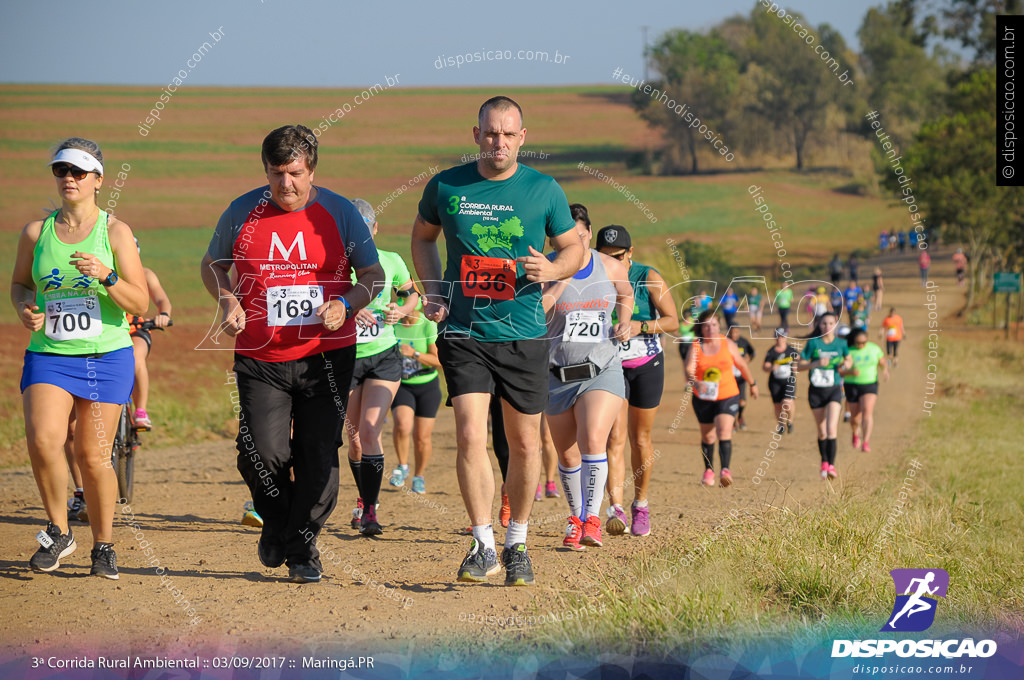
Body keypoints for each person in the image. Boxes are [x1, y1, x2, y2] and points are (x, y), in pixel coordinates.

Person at [411, 96, 583, 586]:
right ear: (476, 134)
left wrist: (552, 269)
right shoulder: (446, 186)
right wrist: (433, 290)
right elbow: (422, 238)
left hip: (524, 333)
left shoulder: (543, 190)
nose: (499, 142)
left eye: (508, 134)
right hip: (463, 332)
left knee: (526, 443)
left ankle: (518, 543)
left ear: (522, 138)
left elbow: (574, 247)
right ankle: (483, 544)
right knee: (469, 434)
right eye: (490, 133)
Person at [200, 125, 383, 583]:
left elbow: (373, 275)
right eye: (276, 173)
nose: (286, 184)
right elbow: (212, 265)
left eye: (295, 173)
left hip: (326, 355)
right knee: (259, 452)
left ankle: (301, 548)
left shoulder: (341, 213)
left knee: (318, 454)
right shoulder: (242, 211)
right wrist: (228, 300)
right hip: (261, 357)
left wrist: (347, 304)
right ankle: (280, 524)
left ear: (312, 168)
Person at [13, 137, 150, 579]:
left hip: (105, 355)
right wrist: (23, 308)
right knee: (43, 440)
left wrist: (106, 274)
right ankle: (58, 530)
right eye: (60, 171)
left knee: (93, 456)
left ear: (97, 180)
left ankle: (104, 544)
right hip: (50, 353)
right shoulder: (36, 233)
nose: (68, 178)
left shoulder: (115, 232)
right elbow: (20, 285)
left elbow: (140, 303)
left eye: (77, 171)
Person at [540, 215, 632, 550]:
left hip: (601, 368)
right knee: (566, 455)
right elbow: (539, 310)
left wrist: (624, 322)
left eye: (581, 236)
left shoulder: (610, 267)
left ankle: (592, 519)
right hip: (556, 373)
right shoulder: (545, 268)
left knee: (593, 437)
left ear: (590, 233)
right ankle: (576, 516)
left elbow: (626, 295)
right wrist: (562, 276)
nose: (577, 243)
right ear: (555, 242)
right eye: (567, 239)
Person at [596, 225, 679, 537]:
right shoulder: (594, 276)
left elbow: (673, 321)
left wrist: (640, 326)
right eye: (605, 256)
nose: (612, 261)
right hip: (610, 365)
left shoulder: (648, 276)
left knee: (640, 438)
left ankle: (640, 504)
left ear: (630, 253)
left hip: (645, 363)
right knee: (613, 437)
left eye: (618, 256)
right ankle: (615, 507)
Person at [345, 199, 419, 536]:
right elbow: (320, 297)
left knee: (371, 429)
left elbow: (413, 295)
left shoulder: (391, 261)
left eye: (366, 229)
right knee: (355, 438)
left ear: (375, 229)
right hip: (346, 357)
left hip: (384, 354)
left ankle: (370, 510)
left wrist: (401, 311)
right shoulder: (336, 264)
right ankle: (362, 500)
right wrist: (347, 307)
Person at [685, 311, 758, 487]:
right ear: (701, 328)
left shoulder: (728, 343)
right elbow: (688, 369)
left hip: (728, 394)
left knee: (724, 431)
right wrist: (696, 382)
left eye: (714, 325)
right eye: (707, 326)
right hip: (703, 397)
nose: (711, 329)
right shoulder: (696, 345)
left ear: (719, 326)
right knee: (708, 436)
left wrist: (752, 383)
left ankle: (725, 470)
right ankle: (709, 470)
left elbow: (741, 364)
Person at [390, 297, 441, 496]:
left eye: (410, 310)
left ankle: (419, 476)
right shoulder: (393, 326)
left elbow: (438, 361)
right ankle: (402, 466)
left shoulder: (426, 325)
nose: (407, 314)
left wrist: (414, 354)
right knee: (402, 425)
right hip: (402, 385)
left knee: (422, 437)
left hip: (427, 385)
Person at [797, 312, 851, 481]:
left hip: (834, 389)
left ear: (836, 324)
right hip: (816, 391)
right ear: (819, 326)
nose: (827, 327)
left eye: (830, 323)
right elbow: (799, 365)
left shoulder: (841, 343)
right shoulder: (813, 343)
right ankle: (824, 462)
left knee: (831, 429)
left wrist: (846, 364)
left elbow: (848, 360)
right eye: (823, 324)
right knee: (821, 432)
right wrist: (815, 364)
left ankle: (831, 466)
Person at [127, 258, 173, 430]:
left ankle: (140, 411)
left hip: (136, 329)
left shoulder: (145, 275)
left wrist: (164, 315)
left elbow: (162, 299)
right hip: (109, 332)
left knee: (135, 357)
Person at [844, 328, 888, 452]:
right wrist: (850, 372)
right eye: (858, 343)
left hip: (869, 384)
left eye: (864, 342)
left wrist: (884, 370)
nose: (861, 345)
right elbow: (840, 370)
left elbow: (882, 360)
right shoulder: (848, 351)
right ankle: (855, 433)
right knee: (855, 418)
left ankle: (866, 441)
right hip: (851, 385)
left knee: (867, 411)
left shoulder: (874, 348)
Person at [763, 328, 799, 435]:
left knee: (787, 402)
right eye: (778, 336)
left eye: (782, 336)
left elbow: (800, 358)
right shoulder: (771, 352)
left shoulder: (791, 350)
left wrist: (796, 365)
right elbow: (765, 367)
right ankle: (781, 425)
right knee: (777, 405)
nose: (780, 339)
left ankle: (790, 421)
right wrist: (771, 367)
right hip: (775, 382)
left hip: (789, 380)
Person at [726, 325, 754, 431]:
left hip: (741, 376)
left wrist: (746, 361)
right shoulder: (725, 342)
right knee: (731, 400)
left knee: (742, 401)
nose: (734, 335)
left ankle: (740, 416)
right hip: (729, 377)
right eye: (732, 332)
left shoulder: (743, 342)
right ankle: (733, 422)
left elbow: (752, 353)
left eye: (736, 332)